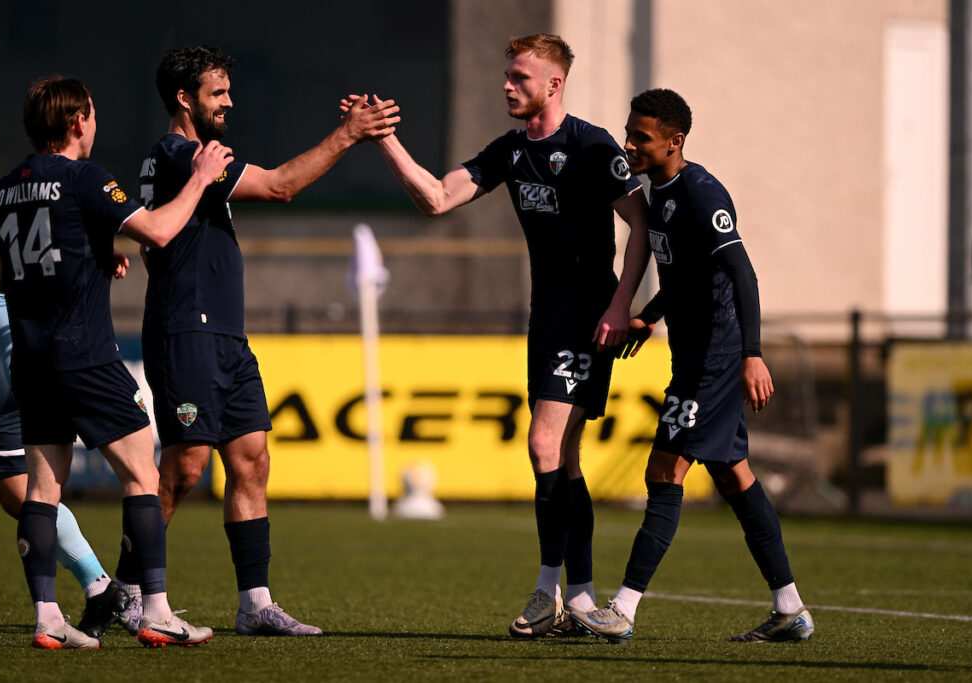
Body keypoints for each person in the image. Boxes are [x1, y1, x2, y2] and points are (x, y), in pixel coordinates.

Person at [348, 33, 650, 637]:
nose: (507, 85)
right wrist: (384, 139)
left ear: (554, 85)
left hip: (588, 320)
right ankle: (584, 601)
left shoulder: (592, 146)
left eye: (520, 77)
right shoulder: (510, 151)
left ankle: (547, 593)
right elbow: (436, 198)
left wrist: (622, 306)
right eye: (506, 75)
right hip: (547, 320)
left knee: (543, 445)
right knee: (563, 460)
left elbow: (640, 225)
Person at [132, 45, 400, 637]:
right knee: (184, 468)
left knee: (251, 462)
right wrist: (347, 135)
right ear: (184, 99)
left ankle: (255, 603)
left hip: (226, 334)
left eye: (228, 91)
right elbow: (280, 186)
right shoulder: (180, 155)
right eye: (216, 93)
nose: (229, 102)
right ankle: (130, 592)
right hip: (186, 329)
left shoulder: (193, 156)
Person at [0, 76, 232, 648]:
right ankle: (156, 611)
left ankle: (48, 619)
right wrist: (198, 178)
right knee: (143, 476)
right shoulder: (86, 178)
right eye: (92, 116)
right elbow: (160, 232)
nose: (95, 125)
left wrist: (93, 255)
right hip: (86, 356)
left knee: (44, 490)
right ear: (77, 123)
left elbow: (3, 274)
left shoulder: (7, 187)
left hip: (33, 358)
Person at [570, 88, 814, 643]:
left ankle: (623, 610)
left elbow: (742, 274)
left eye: (642, 138)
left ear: (674, 142)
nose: (629, 144)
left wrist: (752, 353)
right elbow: (683, 277)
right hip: (694, 353)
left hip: (717, 358)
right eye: (629, 132)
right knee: (734, 476)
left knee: (664, 471)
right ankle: (790, 607)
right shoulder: (658, 193)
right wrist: (650, 315)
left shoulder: (703, 194)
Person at [0, 122, 130, 639]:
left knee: (40, 490)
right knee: (24, 493)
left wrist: (20, 367)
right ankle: (100, 585)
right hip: (6, 368)